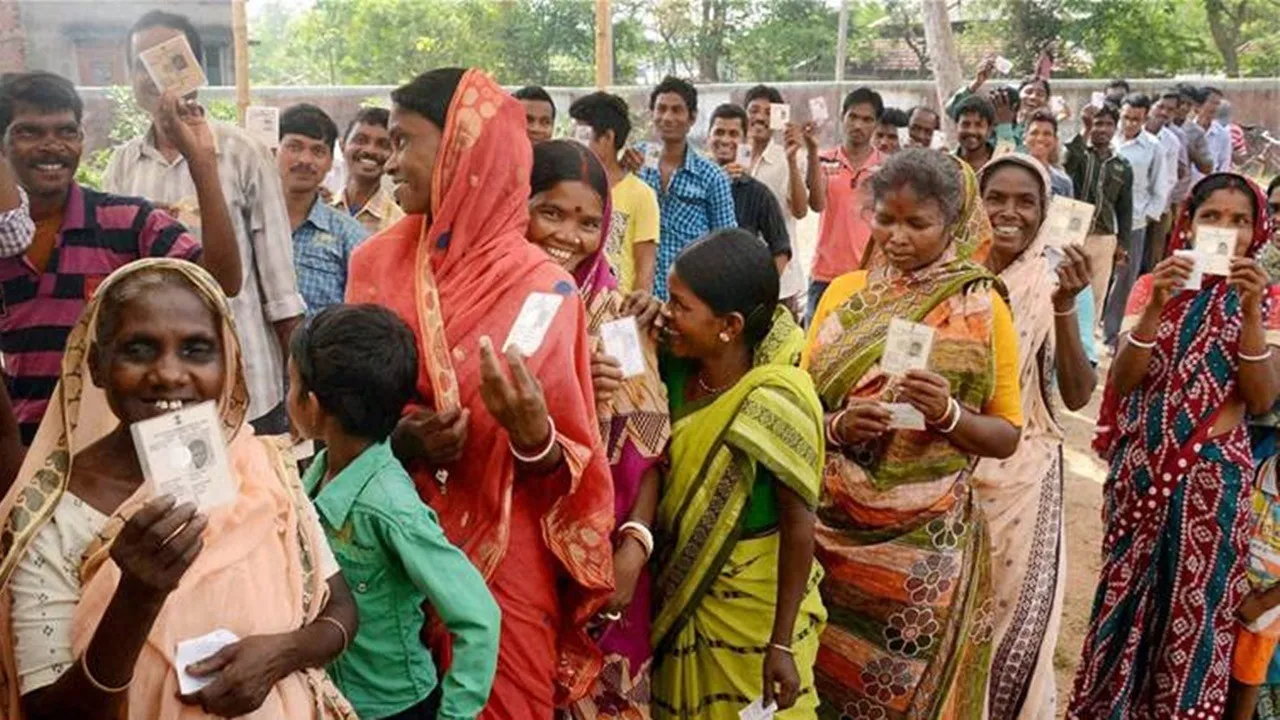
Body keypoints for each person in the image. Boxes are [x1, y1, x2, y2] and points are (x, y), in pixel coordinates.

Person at [345, 67, 616, 718]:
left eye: (405, 141)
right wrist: (404, 434)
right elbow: (344, 408)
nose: (390, 162)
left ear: (465, 152)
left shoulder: (544, 289)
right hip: (385, 551)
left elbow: (576, 469)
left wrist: (532, 438)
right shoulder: (374, 263)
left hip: (503, 558)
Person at [0, 258, 358, 720]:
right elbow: (47, 713)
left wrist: (280, 655)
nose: (169, 374)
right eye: (139, 349)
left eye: (196, 350)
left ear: (227, 362)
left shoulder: (258, 466)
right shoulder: (52, 514)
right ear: (96, 366)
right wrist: (136, 596)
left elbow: (341, 607)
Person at [803, 149, 1024, 718]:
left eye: (917, 224)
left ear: (954, 224)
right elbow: (802, 406)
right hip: (831, 532)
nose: (898, 237)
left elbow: (1004, 435)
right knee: (821, 680)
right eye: (885, 219)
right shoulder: (844, 295)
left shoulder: (980, 304)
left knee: (902, 693)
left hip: (926, 549)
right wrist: (839, 425)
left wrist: (948, 415)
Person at [1072, 173, 1280, 719]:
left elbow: (1260, 401)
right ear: (1188, 223)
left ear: (1257, 232)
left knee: (1195, 612)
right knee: (1124, 603)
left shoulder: (1265, 297)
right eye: (1212, 217)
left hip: (1213, 484)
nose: (1225, 231)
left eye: (1241, 222)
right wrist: (1159, 302)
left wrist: (1253, 312)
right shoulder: (1152, 285)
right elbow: (1123, 381)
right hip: (1141, 475)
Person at [0, 71, 242, 450]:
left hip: (125, 455)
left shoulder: (128, 222)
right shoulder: (5, 239)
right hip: (26, 457)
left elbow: (222, 282)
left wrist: (201, 162)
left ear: (82, 139)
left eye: (66, 131)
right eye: (29, 132)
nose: (52, 146)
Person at [289, 304, 501, 720]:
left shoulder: (388, 507)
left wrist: (455, 716)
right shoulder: (316, 475)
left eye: (291, 383)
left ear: (312, 406)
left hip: (395, 708)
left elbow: (479, 616)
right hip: (337, 698)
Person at [651, 228, 827, 719]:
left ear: (728, 325)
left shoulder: (779, 398)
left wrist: (782, 642)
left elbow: (799, 526)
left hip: (753, 613)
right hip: (679, 596)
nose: (668, 313)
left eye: (681, 305)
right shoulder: (669, 365)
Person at [524, 139, 671, 720]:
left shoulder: (617, 318)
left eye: (589, 222)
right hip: (520, 553)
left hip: (604, 567)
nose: (569, 236)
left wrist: (634, 547)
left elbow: (647, 443)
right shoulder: (496, 301)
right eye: (551, 213)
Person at [106, 10, 304, 436]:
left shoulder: (243, 152)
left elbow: (281, 289)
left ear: (195, 70)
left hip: (247, 379)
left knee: (255, 498)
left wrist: (300, 388)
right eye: (141, 64)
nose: (154, 76)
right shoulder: (122, 165)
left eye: (168, 59)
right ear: (128, 77)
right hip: (160, 388)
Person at [973, 154, 1098, 720]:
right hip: (951, 472)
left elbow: (1075, 395)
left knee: (1015, 628)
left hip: (1024, 474)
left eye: (1026, 202)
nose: (1009, 212)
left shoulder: (1060, 277)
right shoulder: (949, 272)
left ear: (1046, 212)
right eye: (995, 197)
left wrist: (1066, 305)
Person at [638, 76, 736, 301]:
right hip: (639, 292)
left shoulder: (711, 175)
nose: (667, 117)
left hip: (689, 293)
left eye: (676, 110)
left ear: (691, 118)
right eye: (661, 109)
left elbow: (726, 241)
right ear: (652, 113)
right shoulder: (635, 161)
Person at [742, 84, 827, 317]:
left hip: (781, 280)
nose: (759, 117)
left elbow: (800, 211)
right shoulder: (733, 157)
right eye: (753, 110)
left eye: (768, 113)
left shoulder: (788, 157)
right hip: (736, 274)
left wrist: (791, 160)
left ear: (779, 119)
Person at [277, 104, 369, 315]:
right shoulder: (246, 223)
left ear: (329, 163)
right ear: (274, 149)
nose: (305, 160)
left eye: (318, 151)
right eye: (294, 147)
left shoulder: (350, 237)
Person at [569, 91, 661, 294]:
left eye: (583, 136)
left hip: (616, 311)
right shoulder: (568, 189)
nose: (574, 142)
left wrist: (635, 316)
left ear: (608, 137)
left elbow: (645, 267)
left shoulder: (641, 194)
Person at [808, 87, 884, 320]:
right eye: (853, 117)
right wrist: (812, 152)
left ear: (877, 125)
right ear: (842, 117)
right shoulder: (822, 160)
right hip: (825, 275)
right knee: (816, 351)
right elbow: (816, 205)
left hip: (868, 278)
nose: (858, 125)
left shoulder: (888, 168)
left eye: (867, 119)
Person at [1106, 93, 1169, 349]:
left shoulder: (1153, 147)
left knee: (1124, 281)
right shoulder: (1107, 139)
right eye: (1126, 118)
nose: (1130, 124)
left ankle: (1112, 334)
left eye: (1136, 119)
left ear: (1145, 118)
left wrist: (1145, 215)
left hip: (1133, 224)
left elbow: (1160, 188)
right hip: (1103, 222)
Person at [1064, 102, 1134, 331]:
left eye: (1108, 124)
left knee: (1096, 292)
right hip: (1073, 234)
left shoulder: (1122, 166)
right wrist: (1084, 129)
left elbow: (1125, 207)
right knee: (1066, 284)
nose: (1102, 129)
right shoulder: (1081, 155)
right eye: (1098, 123)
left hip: (1104, 237)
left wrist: (1123, 243)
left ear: (1115, 128)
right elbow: (1068, 161)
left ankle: (1087, 345)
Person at [707, 104, 791, 275]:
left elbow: (781, 248)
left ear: (745, 142)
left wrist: (763, 292)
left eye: (733, 134)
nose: (725, 140)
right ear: (708, 137)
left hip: (740, 292)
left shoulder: (758, 193)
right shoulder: (692, 186)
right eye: (719, 132)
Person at [333, 107, 405, 235]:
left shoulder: (399, 224)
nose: (370, 150)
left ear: (394, 154)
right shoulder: (318, 210)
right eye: (361, 140)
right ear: (342, 145)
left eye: (383, 144)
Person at [1143, 90, 1185, 271]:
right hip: (1131, 206)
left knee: (1153, 258)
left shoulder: (1172, 141)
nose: (1164, 112)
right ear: (1151, 107)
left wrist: (1154, 208)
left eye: (1170, 110)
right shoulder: (1131, 133)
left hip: (1159, 209)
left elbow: (1170, 178)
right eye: (1160, 107)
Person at [1023, 109, 1075, 197]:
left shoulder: (1063, 182)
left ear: (1055, 140)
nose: (1040, 138)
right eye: (1034, 133)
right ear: (1025, 138)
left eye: (1047, 134)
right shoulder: (1012, 174)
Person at [954, 93, 999, 172]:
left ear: (989, 130)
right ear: (956, 126)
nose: (971, 131)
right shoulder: (945, 164)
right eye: (965, 124)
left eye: (979, 125)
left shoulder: (1000, 164)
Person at [1197, 86, 1233, 178]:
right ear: (1199, 103)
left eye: (1218, 104)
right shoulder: (1186, 130)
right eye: (1212, 103)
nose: (1215, 107)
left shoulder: (1222, 134)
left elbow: (1224, 165)